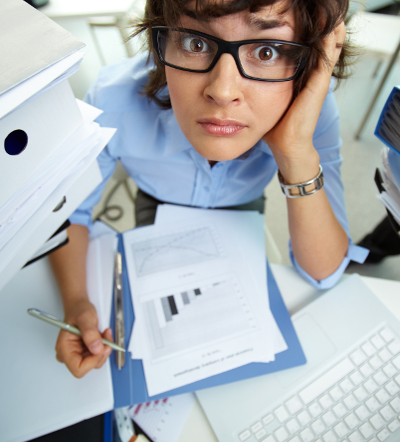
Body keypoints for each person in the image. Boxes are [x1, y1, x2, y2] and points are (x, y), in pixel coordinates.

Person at [49, 0, 368, 378]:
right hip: (156, 201)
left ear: (310, 64)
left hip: (242, 205)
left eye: (266, 51)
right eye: (196, 44)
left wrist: (296, 152)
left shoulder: (312, 113)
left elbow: (325, 272)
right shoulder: (114, 98)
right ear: (161, 44)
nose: (223, 90)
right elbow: (66, 213)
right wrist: (76, 301)